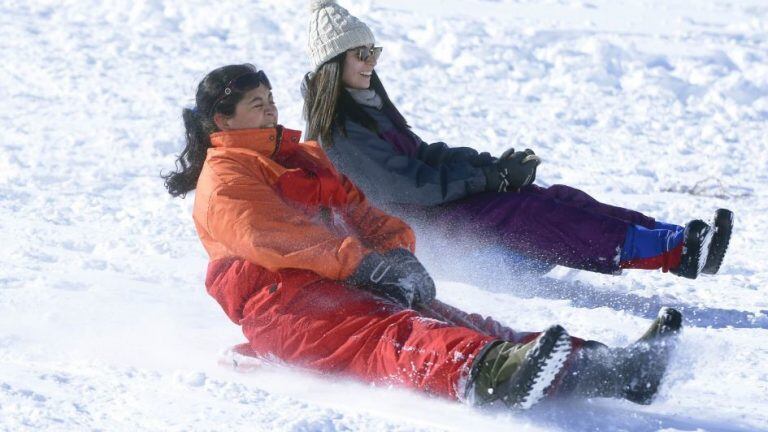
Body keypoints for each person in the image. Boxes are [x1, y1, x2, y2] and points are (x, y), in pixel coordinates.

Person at [163, 63, 683, 410]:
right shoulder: (226, 175)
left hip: (337, 280)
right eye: (256, 104)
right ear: (221, 120)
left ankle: (611, 369)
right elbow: (269, 238)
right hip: (281, 304)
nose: (270, 109)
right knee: (392, 338)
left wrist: (395, 252)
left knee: (460, 321)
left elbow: (363, 211)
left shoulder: (302, 158)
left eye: (270, 98)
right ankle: (488, 373)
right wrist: (362, 265)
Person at [302, 0, 733, 280]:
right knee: (527, 210)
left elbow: (423, 155)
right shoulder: (338, 129)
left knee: (554, 197)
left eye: (374, 51)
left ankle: (681, 240)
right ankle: (672, 252)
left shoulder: (366, 105)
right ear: (331, 66)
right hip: (419, 228)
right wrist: (492, 180)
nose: (372, 62)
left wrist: (492, 166)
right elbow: (408, 187)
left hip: (438, 210)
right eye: (361, 54)